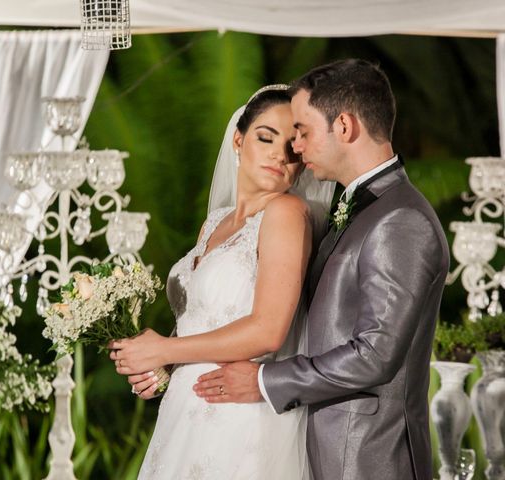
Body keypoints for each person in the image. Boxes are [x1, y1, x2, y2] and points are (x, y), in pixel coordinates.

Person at [193, 59, 451, 480]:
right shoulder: (352, 210)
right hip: (324, 447)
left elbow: (375, 355)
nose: (295, 146)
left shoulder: (401, 218)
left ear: (345, 127)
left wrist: (263, 381)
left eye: (303, 131)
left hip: (367, 456)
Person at [109, 85, 335, 479]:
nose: (278, 155)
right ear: (238, 138)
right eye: (265, 137)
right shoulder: (215, 223)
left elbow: (268, 331)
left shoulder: (286, 212)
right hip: (185, 411)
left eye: (292, 148)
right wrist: (163, 365)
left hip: (238, 415)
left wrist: (165, 349)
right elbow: (203, 318)